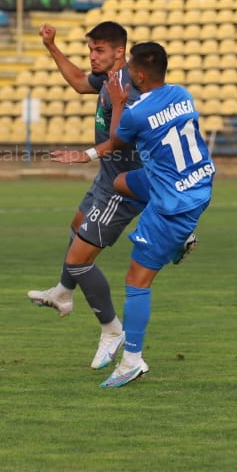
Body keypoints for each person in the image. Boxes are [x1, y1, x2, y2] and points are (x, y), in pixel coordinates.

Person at [50, 41, 213, 389]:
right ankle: (178, 238)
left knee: (136, 281)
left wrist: (119, 104)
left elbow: (116, 138)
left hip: (174, 204)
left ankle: (132, 360)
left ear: (138, 74)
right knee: (122, 183)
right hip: (198, 181)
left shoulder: (137, 112)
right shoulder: (182, 94)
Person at [26, 21, 148, 369]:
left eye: (99, 51)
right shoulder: (108, 80)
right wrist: (52, 47)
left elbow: (122, 138)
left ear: (119, 52)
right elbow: (80, 82)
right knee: (76, 225)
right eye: (90, 50)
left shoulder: (128, 87)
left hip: (121, 188)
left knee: (79, 260)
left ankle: (112, 329)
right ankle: (63, 294)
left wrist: (86, 153)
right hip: (106, 179)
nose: (93, 57)